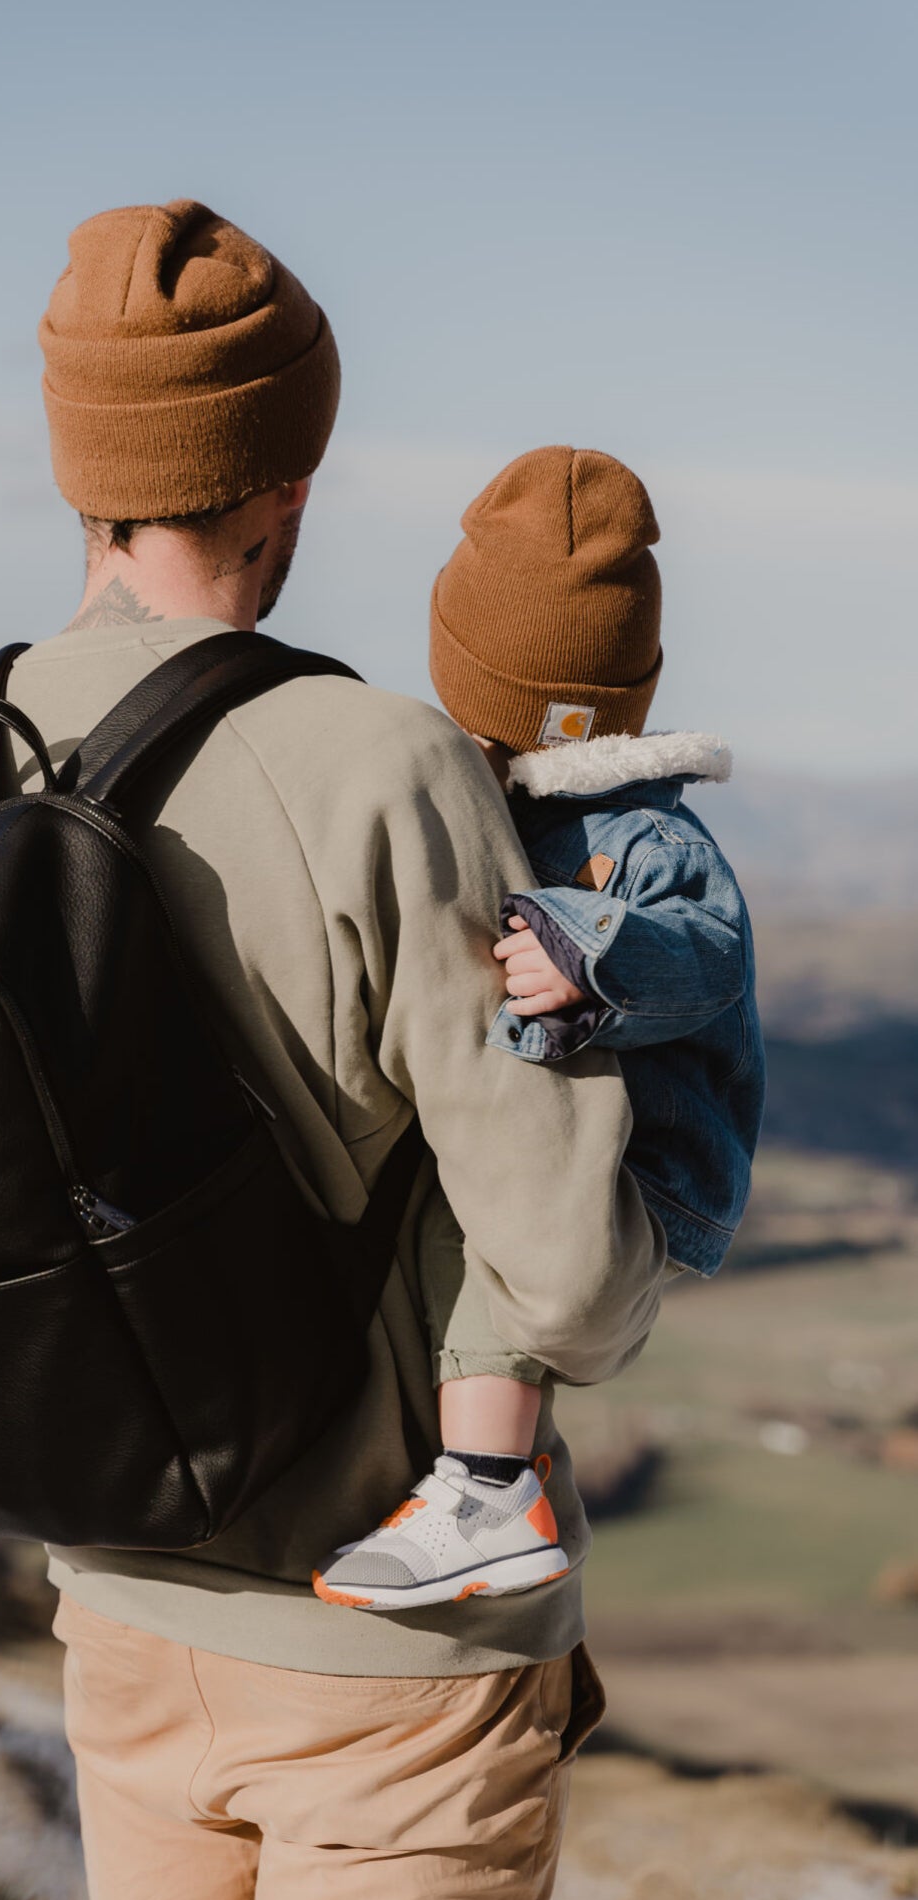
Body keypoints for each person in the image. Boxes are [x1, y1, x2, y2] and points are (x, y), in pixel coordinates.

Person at [0, 200, 666, 1900]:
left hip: (117, 1601)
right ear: (285, 476)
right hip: (391, 1656)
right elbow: (569, 1276)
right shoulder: (378, 759)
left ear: (83, 462)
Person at [315, 447, 765, 1613]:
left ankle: (486, 1493)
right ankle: (475, 1478)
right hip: (576, 1147)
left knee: (490, 1250)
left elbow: (710, 959)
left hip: (644, 1171)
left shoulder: (649, 839)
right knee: (460, 1233)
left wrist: (582, 947)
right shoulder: (501, 804)